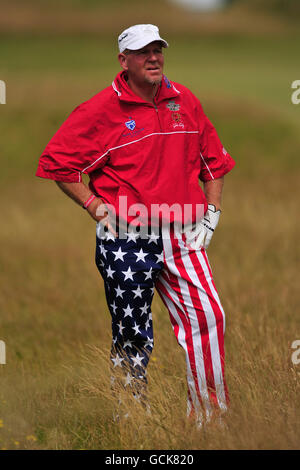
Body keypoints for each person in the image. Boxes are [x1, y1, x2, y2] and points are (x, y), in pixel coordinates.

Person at [36, 24, 235, 425]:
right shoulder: (98, 111)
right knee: (132, 334)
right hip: (126, 241)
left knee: (209, 317)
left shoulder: (185, 101)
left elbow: (213, 161)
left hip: (183, 236)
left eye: (158, 50)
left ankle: (211, 420)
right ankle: (132, 421)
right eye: (143, 52)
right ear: (123, 60)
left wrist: (212, 214)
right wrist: (94, 206)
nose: (154, 58)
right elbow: (57, 164)